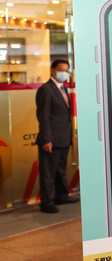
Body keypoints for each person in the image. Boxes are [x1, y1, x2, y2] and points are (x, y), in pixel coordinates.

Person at [35, 59, 78, 213]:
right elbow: (44, 116)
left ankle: (61, 196)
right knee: (48, 173)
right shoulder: (46, 89)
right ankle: (47, 202)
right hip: (51, 139)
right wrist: (47, 139)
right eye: (61, 70)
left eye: (67, 70)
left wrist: (69, 136)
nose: (64, 73)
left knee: (60, 170)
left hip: (63, 138)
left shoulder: (63, 88)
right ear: (53, 70)